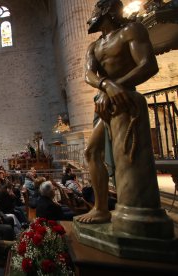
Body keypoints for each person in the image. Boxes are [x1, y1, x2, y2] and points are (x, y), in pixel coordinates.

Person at [78, 0, 160, 224]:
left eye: (94, 11)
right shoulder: (93, 47)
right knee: (91, 152)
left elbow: (148, 64)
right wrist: (107, 86)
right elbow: (89, 75)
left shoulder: (130, 31)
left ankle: (135, 210)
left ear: (105, 10)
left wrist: (117, 87)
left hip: (124, 100)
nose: (89, 17)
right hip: (104, 99)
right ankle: (101, 208)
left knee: (127, 154)